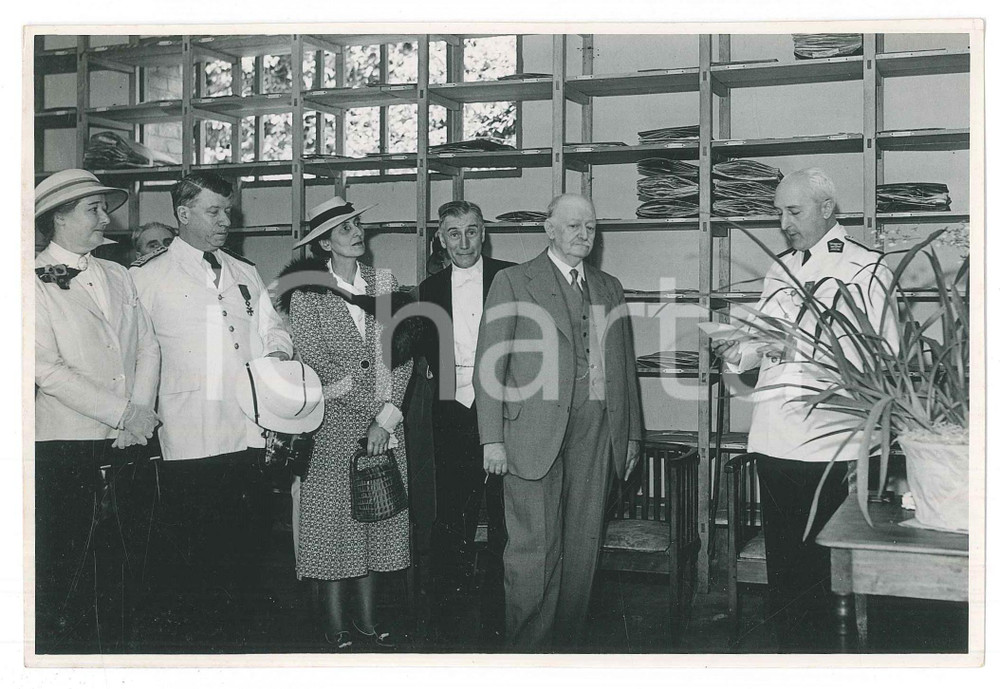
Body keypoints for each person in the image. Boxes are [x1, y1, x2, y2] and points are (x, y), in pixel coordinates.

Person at [712, 167, 899, 648]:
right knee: (788, 574)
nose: (783, 222)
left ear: (827, 209)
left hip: (830, 446)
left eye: (792, 211)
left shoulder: (865, 268)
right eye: (778, 212)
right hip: (776, 440)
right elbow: (762, 339)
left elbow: (887, 359)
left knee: (829, 575)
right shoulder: (782, 267)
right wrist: (738, 351)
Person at [129, 171, 292, 648]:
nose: (226, 220)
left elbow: (272, 327)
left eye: (229, 211)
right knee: (194, 552)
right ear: (183, 214)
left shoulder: (245, 272)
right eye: (214, 211)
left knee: (246, 546)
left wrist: (278, 351)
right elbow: (136, 354)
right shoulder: (145, 277)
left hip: (245, 430)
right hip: (189, 433)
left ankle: (237, 644)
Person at [474, 193, 643, 650]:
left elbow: (624, 367)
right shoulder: (513, 281)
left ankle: (566, 653)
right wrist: (492, 439)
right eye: (573, 226)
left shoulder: (609, 286)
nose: (584, 235)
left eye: (590, 227)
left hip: (596, 434)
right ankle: (526, 655)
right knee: (533, 554)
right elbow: (489, 365)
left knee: (582, 551)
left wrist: (629, 439)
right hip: (531, 436)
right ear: (549, 229)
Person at [278, 195, 414, 651]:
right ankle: (335, 627)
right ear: (323, 245)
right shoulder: (307, 294)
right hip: (333, 429)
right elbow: (319, 366)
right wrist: (371, 415)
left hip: (386, 429)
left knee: (378, 523)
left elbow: (405, 352)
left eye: (357, 225)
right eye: (344, 230)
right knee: (335, 532)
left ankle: (369, 622)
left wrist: (387, 417)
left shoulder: (385, 281)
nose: (356, 233)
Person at [33, 169, 161, 653]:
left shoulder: (119, 273)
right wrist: (122, 412)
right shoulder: (31, 283)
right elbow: (45, 369)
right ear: (58, 219)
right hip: (68, 446)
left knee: (127, 573)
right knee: (70, 579)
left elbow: (148, 347)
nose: (106, 218)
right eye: (93, 209)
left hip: (131, 440)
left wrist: (141, 412)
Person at [417, 201, 514, 588]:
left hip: (505, 412)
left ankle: (502, 603)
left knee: (504, 513)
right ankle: (450, 607)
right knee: (453, 513)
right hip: (452, 412)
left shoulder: (511, 278)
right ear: (441, 239)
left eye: (471, 231)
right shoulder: (428, 290)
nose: (463, 242)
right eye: (453, 233)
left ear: (484, 233)